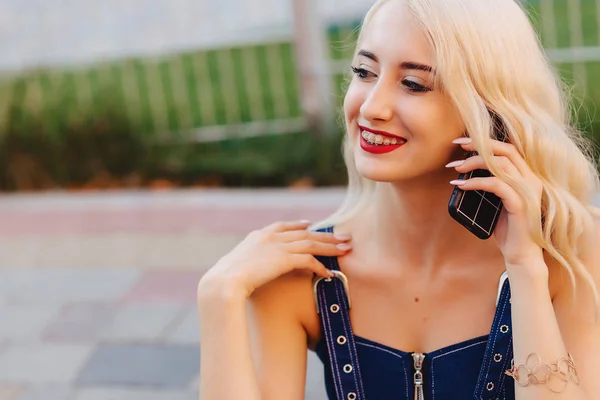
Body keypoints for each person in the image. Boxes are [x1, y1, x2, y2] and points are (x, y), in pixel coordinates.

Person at [196, 0, 600, 398]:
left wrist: (526, 268)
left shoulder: (574, 250)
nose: (372, 107)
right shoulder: (302, 272)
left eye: (413, 84)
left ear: (489, 109)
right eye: (364, 72)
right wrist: (219, 296)